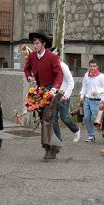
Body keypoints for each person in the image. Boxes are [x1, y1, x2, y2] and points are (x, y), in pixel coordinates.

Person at [24, 32, 63, 160]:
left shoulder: (52, 57)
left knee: (47, 118)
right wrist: (30, 77)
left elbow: (59, 74)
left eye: (37, 43)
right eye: (33, 43)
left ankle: (47, 147)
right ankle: (54, 146)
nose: (35, 46)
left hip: (50, 91)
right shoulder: (32, 56)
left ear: (43, 44)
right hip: (38, 91)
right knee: (44, 119)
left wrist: (54, 89)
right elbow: (27, 68)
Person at [50, 47, 80, 143]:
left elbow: (71, 82)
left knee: (65, 118)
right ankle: (58, 139)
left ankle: (76, 130)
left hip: (63, 96)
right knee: (53, 118)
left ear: (57, 54)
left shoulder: (63, 66)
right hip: (53, 96)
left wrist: (66, 95)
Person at [80, 59, 104, 142]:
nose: (92, 68)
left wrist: (98, 93)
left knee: (95, 118)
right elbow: (84, 87)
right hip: (87, 100)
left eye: (94, 66)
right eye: (91, 66)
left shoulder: (101, 76)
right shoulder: (86, 75)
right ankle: (91, 135)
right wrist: (81, 96)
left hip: (97, 100)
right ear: (89, 66)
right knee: (87, 118)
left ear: (97, 66)